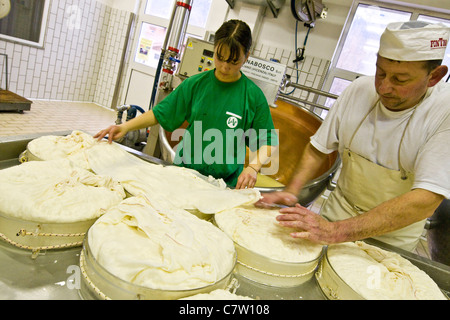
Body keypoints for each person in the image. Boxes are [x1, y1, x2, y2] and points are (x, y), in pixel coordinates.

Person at [258, 21, 450, 251]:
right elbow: (318, 149)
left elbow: (425, 200)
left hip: (391, 240)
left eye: (400, 80)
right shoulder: (359, 90)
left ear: (434, 77)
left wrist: (336, 232)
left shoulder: (443, 112)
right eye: (380, 72)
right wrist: (291, 191)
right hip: (334, 217)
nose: (384, 87)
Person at [95, 20, 278, 189]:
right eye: (220, 57)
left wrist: (253, 168)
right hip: (185, 174)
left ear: (247, 56)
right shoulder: (196, 84)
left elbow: (268, 141)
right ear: (214, 49)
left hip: (225, 184)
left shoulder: (253, 96)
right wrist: (125, 127)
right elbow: (161, 113)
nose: (224, 67)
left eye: (233, 61)